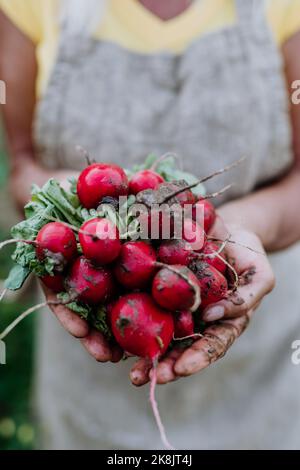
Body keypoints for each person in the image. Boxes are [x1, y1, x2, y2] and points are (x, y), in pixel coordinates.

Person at [1, 0, 300, 450]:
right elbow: (21, 163)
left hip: (258, 344)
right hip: (93, 347)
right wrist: (65, 206)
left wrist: (241, 226)